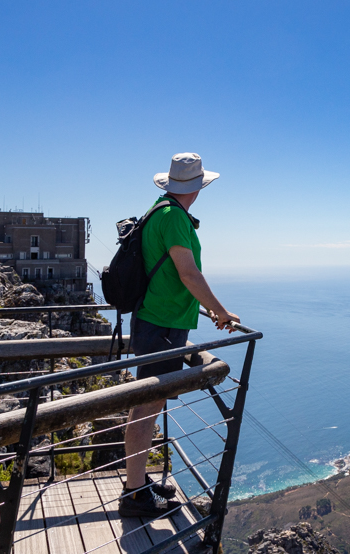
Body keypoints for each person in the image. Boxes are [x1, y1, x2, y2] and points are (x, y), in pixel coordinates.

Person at [119, 152, 241, 518]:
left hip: (157, 320)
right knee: (147, 406)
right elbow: (188, 273)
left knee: (147, 403)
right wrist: (220, 311)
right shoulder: (173, 216)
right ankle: (134, 495)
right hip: (162, 324)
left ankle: (137, 482)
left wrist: (209, 309)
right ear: (198, 187)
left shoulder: (160, 210)